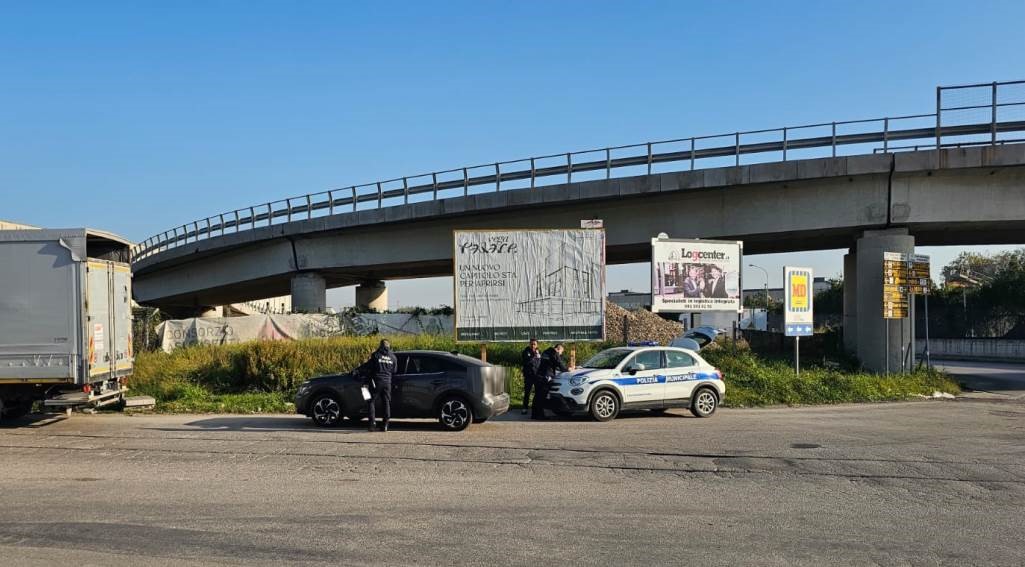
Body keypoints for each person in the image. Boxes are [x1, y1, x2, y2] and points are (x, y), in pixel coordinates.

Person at [359, 339, 398, 432]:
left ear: (380, 346)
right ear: (389, 346)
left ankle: (372, 424)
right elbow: (394, 371)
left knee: (371, 401)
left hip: (377, 382)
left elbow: (369, 368)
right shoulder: (393, 357)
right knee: (386, 402)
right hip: (388, 382)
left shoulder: (376, 355)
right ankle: (385, 425)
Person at [532, 343, 569, 420]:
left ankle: (534, 414)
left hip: (539, 376)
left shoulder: (546, 351)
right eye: (561, 352)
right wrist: (568, 369)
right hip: (546, 377)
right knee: (542, 397)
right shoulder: (554, 353)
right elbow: (560, 365)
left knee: (537, 396)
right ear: (558, 349)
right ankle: (540, 415)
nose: (561, 354)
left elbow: (550, 363)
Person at [520, 338, 542, 415]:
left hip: (537, 376)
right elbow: (527, 361)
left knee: (537, 393)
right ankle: (525, 408)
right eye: (531, 344)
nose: (533, 345)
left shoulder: (539, 352)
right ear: (529, 344)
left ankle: (535, 408)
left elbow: (540, 363)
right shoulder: (526, 351)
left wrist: (538, 356)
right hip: (529, 376)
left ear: (537, 345)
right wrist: (534, 355)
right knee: (527, 392)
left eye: (534, 344)